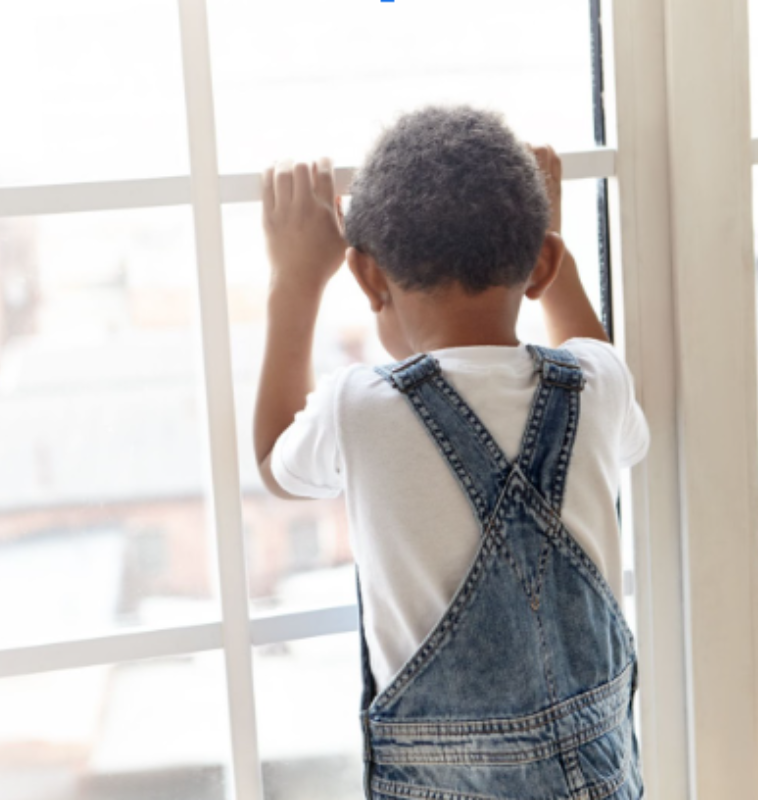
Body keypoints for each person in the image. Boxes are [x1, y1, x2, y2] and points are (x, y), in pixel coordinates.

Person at [255, 103, 649, 800]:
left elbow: (275, 465)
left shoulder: (359, 407)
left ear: (368, 277)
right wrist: (546, 241)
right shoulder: (596, 382)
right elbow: (588, 344)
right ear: (544, 262)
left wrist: (294, 282)